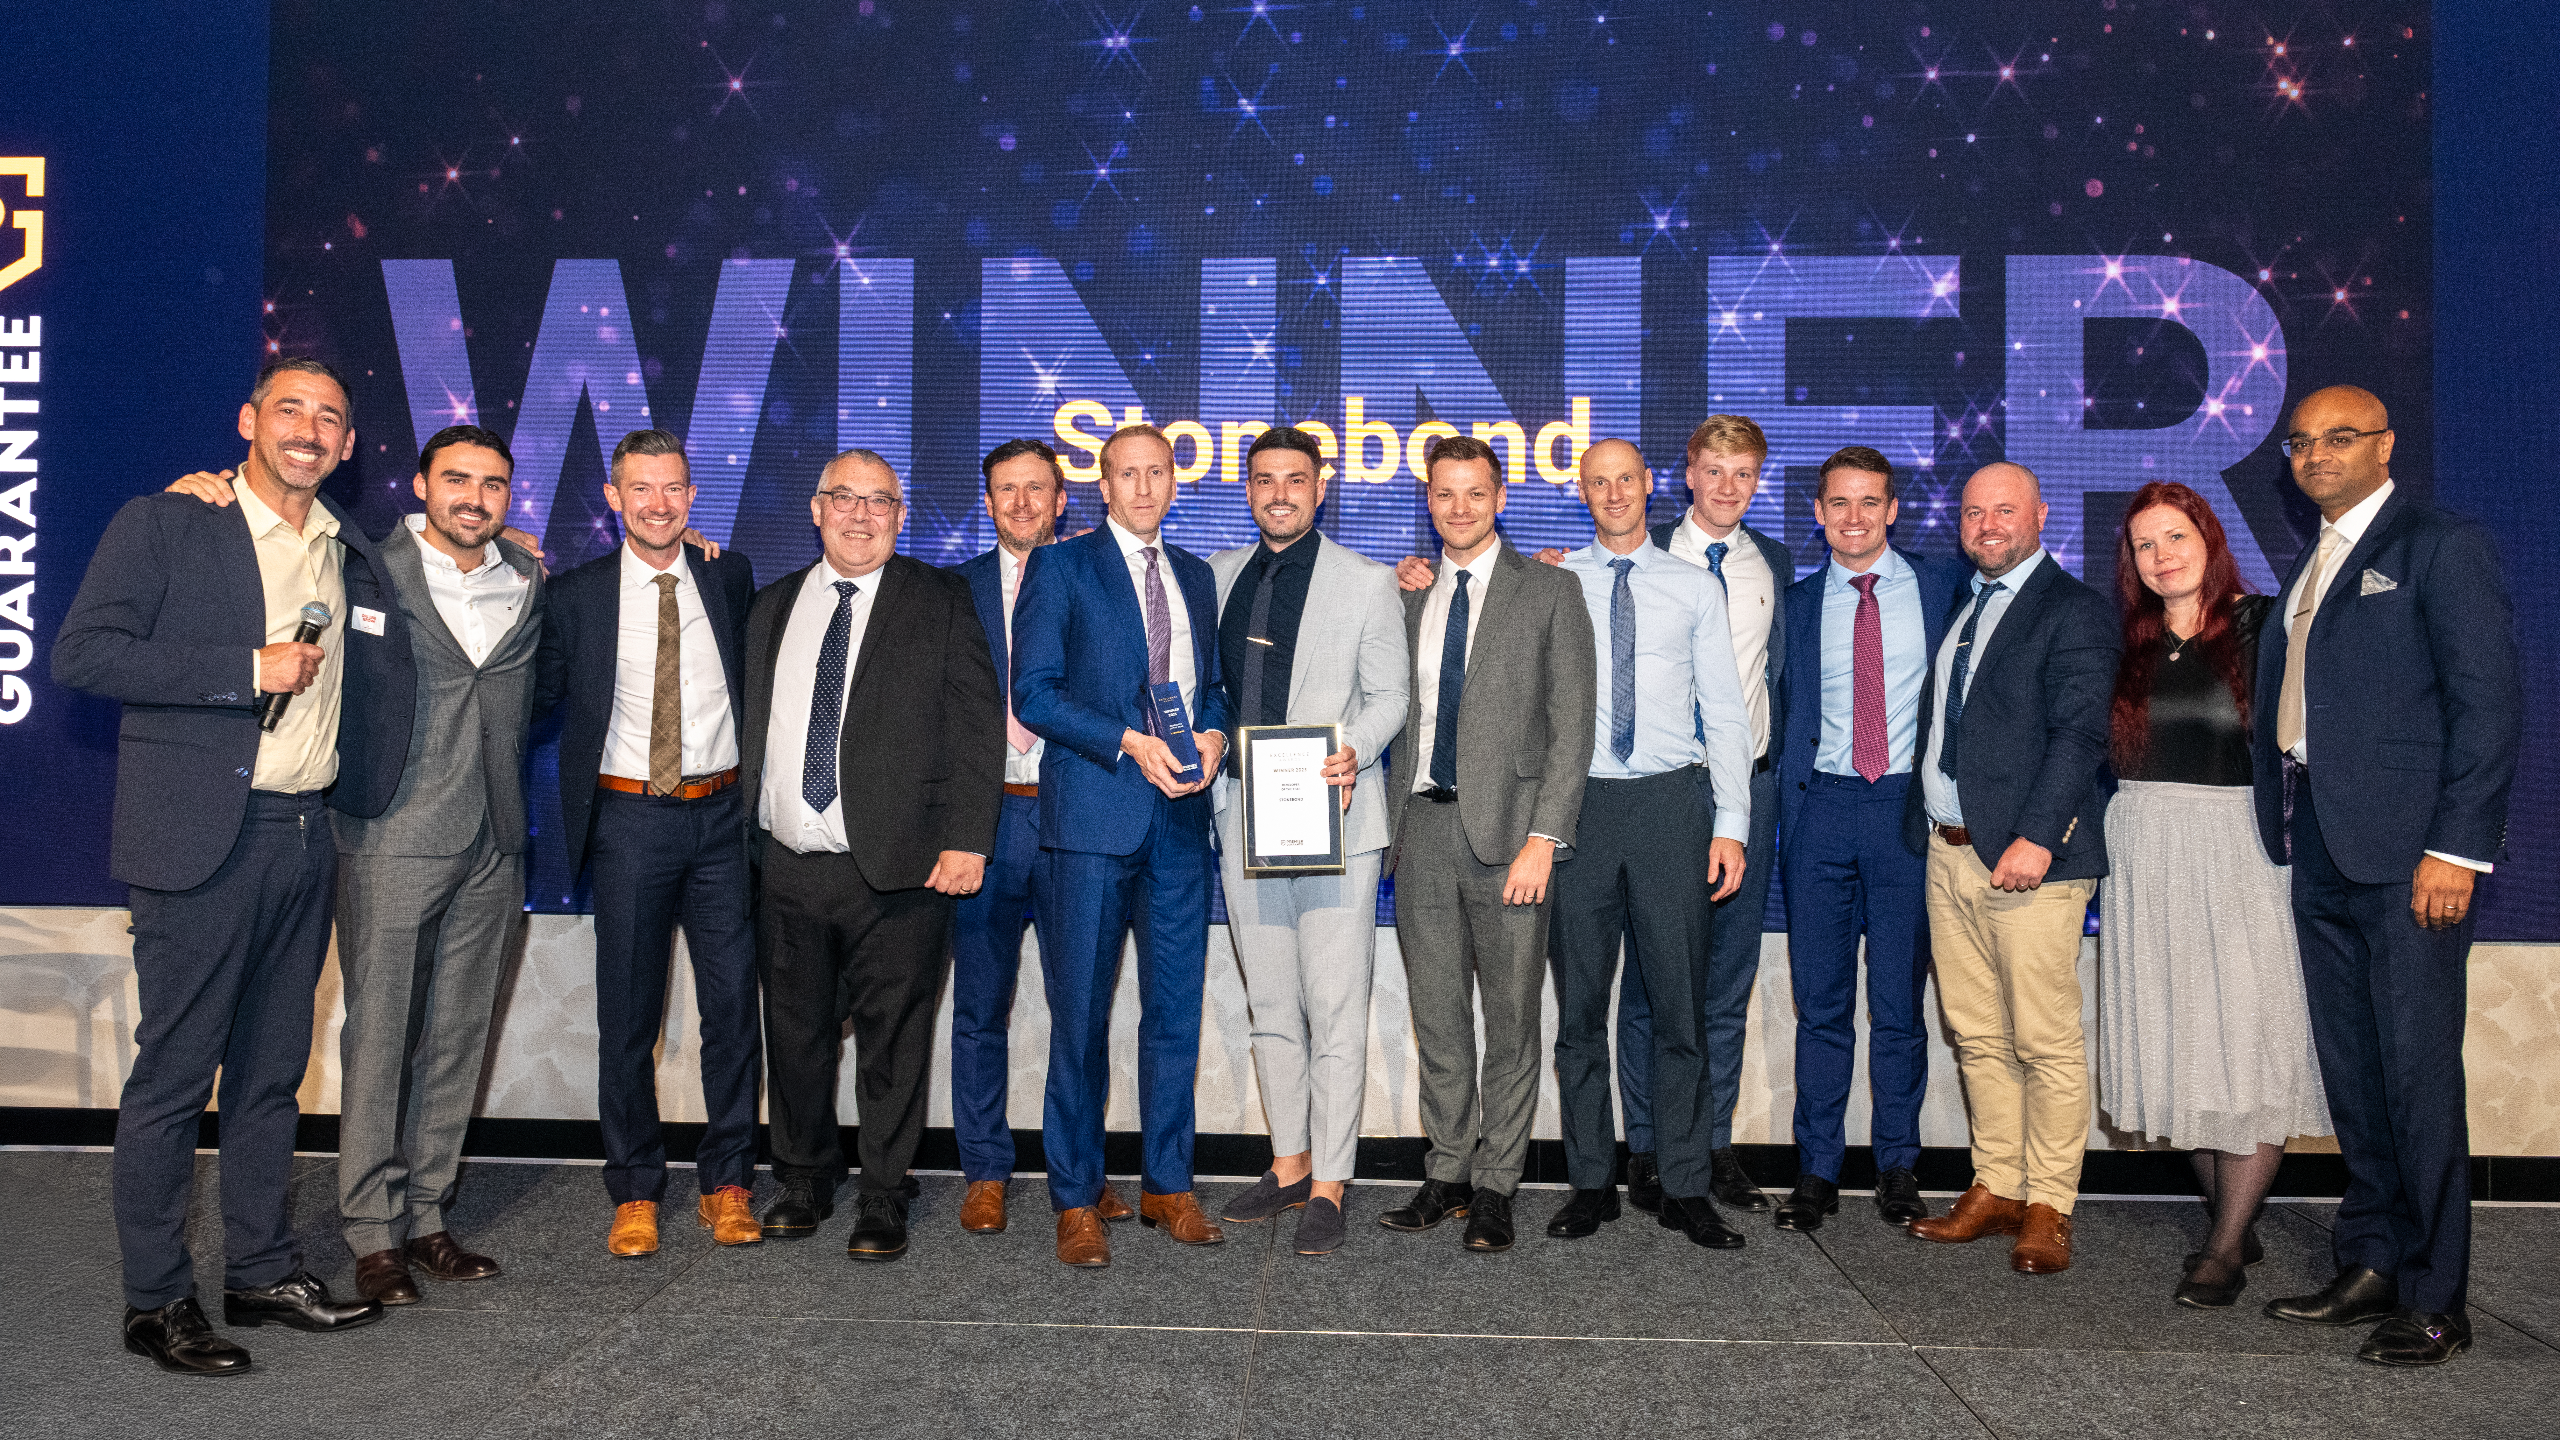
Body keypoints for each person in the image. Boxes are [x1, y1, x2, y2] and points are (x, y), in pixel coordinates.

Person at [56, 358, 391, 1374]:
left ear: (345, 447)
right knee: (174, 1078)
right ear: (249, 420)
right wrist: (246, 671)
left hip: (305, 838)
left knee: (269, 1079)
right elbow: (85, 655)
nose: (311, 428)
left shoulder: (351, 551)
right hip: (201, 840)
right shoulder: (168, 522)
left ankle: (258, 1271)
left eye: (331, 418)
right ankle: (156, 1302)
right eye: (292, 408)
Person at [2251, 386, 2520, 1366]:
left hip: (2411, 860)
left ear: (2384, 444)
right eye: (2301, 441)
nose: (2316, 453)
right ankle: (2370, 1262)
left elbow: (2485, 707)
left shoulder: (2438, 546)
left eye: (2338, 436)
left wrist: (2456, 848)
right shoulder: (2315, 556)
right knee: (2354, 1076)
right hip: (2320, 842)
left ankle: (2437, 1298)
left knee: (2414, 1080)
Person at [742, 449, 1002, 1260]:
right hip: (786, 859)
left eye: (878, 502)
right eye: (844, 499)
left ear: (901, 514)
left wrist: (967, 838)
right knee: (794, 1034)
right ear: (816, 510)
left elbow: (974, 726)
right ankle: (803, 1178)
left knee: (894, 1039)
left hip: (901, 864)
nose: (860, 515)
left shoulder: (941, 598)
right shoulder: (772, 604)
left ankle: (884, 1194)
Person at [316, 427, 543, 1303]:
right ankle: (372, 1234)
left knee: (457, 1034)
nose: (475, 497)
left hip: (495, 839)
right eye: (457, 479)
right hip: (393, 833)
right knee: (380, 1036)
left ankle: (428, 1217)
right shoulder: (364, 564)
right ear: (422, 485)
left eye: (492, 484)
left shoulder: (525, 579)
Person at [2097, 480, 2329, 1310]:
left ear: (2209, 538)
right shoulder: (2121, 643)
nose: (2161, 556)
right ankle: (2238, 1207)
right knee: (2178, 1041)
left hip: (2238, 854)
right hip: (2143, 854)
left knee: (2249, 1039)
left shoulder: (2265, 628)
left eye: (2174, 537)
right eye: (2144, 545)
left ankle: (2226, 1246)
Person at [532, 428, 763, 1258]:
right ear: (614, 498)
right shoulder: (575, 596)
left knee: (735, 1009)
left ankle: (728, 1182)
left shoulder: (728, 575)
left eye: (673, 490)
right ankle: (634, 1189)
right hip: (630, 821)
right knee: (629, 1018)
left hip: (721, 821)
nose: (659, 505)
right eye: (642, 490)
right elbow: (535, 697)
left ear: (692, 498)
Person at [1012, 422, 1232, 1267]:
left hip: (1180, 828)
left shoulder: (1196, 576)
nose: (1143, 488)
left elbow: (1209, 687)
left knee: (1173, 1016)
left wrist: (1212, 738)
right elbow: (1033, 694)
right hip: (1092, 826)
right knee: (1079, 1021)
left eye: (1158, 473)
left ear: (1175, 482)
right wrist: (1125, 741)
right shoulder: (1061, 566)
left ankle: (1168, 1186)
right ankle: (1075, 1198)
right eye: (1127, 475)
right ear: (1102, 487)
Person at [1377, 433, 1595, 1254]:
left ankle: (1499, 1184)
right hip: (1422, 831)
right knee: (1438, 1018)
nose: (1459, 508)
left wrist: (1546, 837)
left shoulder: (1550, 590)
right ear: (1428, 500)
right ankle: (1447, 1172)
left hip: (1512, 838)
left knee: (1509, 1021)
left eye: (1475, 493)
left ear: (1499, 498)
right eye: (1444, 494)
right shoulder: (1407, 595)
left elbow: (1574, 726)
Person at [1904, 461, 2118, 1275]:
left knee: (2044, 1038)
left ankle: (2049, 1205)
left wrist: (2038, 836)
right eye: (1972, 513)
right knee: (1978, 1035)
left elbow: (2079, 736)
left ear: (2041, 516)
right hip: (1949, 853)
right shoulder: (1968, 605)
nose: (1987, 525)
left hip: (2029, 863)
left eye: (2005, 511)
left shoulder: (2073, 610)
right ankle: (1996, 1184)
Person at [1543, 439, 1756, 1250]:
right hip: (1580, 810)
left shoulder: (1695, 588)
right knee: (1581, 1015)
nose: (1612, 494)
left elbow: (1728, 715)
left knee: (1680, 1010)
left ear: (1647, 485)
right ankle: (1591, 1182)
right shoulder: (1555, 585)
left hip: (1673, 808)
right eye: (1596, 483)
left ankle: (1685, 1183)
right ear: (1586, 493)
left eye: (1625, 480)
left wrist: (1730, 824)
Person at [1207, 427, 1409, 1256]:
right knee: (1270, 1007)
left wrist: (1354, 748)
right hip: (1240, 818)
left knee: (1333, 1005)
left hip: (1336, 818)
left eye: (1296, 479)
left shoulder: (1366, 582)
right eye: (1264, 480)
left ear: (1320, 488)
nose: (1280, 493)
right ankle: (1287, 1162)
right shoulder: (1214, 578)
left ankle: (1331, 1179)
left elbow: (1391, 694)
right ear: (1248, 489)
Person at [1771, 447, 1967, 1233]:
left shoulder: (1945, 586)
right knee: (1819, 1008)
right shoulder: (1794, 602)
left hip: (1905, 817)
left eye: (1870, 503)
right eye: (1838, 503)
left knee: (1897, 1007)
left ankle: (1897, 1168)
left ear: (1893, 511)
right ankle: (1816, 1171)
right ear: (1818, 513)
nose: (1854, 517)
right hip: (1819, 814)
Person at [951, 440, 1139, 1234]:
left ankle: (1083, 1172)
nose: (1022, 503)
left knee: (1082, 1008)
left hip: (1075, 821)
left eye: (1038, 489)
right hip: (984, 822)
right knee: (980, 1008)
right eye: (1006, 490)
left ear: (1065, 500)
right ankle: (986, 1169)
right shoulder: (946, 592)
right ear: (987, 502)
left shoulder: (1101, 578)